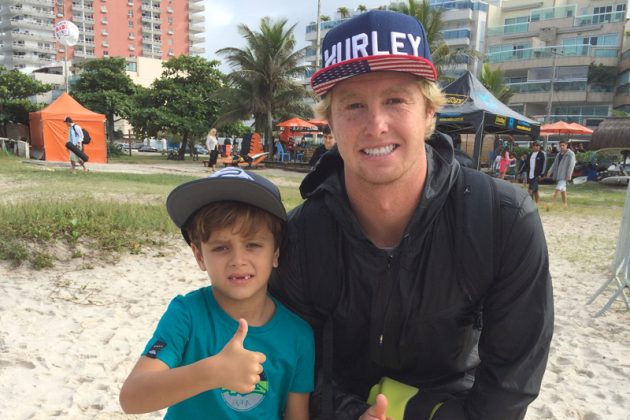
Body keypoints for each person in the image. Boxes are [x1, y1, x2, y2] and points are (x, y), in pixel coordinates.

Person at [269, 9, 553, 420]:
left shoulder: (502, 220)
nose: (376, 124)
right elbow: (293, 369)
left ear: (429, 113)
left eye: (395, 100)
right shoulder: (300, 236)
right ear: (329, 122)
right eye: (353, 105)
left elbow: (509, 386)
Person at [120, 167, 315, 419]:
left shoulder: (298, 335)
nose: (238, 260)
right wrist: (213, 372)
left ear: (276, 253)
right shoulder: (186, 315)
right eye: (221, 247)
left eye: (253, 245)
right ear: (200, 256)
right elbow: (132, 397)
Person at [546, 139, 576, 208]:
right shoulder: (558, 154)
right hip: (558, 174)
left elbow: (572, 165)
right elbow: (554, 164)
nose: (562, 147)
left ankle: (551, 203)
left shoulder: (571, 154)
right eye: (560, 146)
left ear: (566, 145)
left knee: (558, 188)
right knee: (563, 189)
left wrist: (569, 175)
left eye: (563, 145)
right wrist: (549, 171)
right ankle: (565, 204)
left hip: (564, 175)